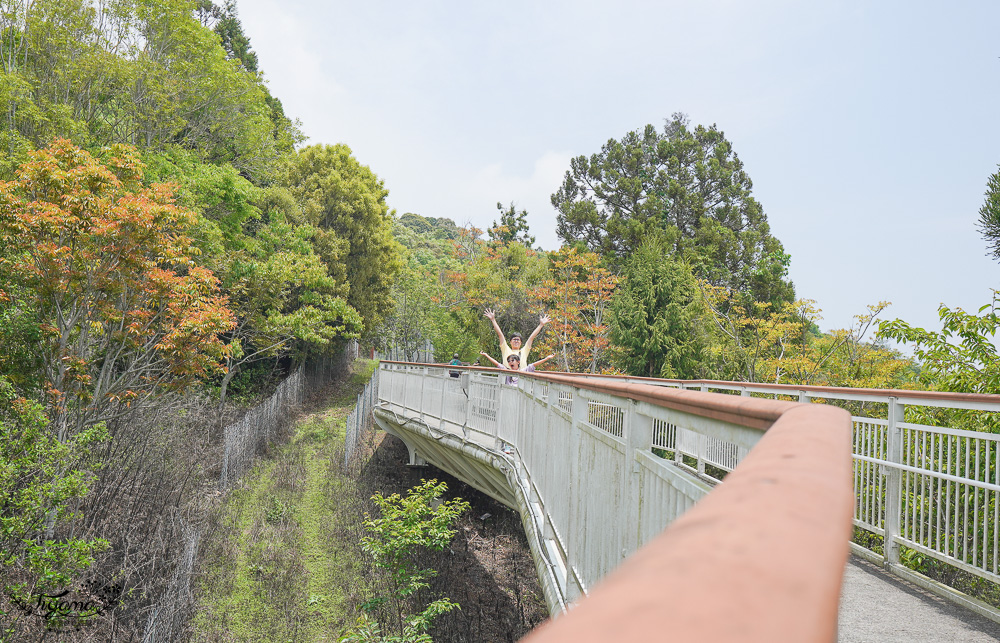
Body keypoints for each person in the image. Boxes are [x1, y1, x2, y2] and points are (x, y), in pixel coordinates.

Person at [483, 308, 550, 365]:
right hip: (507, 378)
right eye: (514, 339)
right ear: (510, 342)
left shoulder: (524, 350)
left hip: (521, 378)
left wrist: (541, 325)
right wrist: (493, 320)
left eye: (518, 340)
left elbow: (532, 337)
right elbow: (500, 334)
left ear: (521, 343)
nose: (516, 341)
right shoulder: (506, 349)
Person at [479, 351, 555, 386]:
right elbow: (497, 364)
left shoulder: (523, 371)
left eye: (512, 360)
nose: (510, 362)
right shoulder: (507, 371)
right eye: (509, 361)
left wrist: (547, 358)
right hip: (508, 394)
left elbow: (533, 365)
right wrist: (486, 355)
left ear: (518, 362)